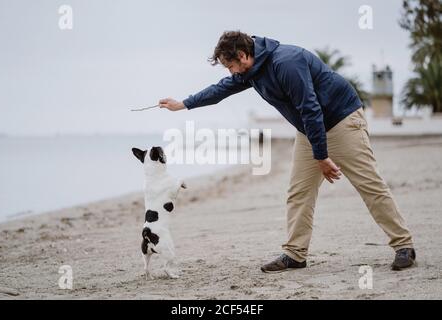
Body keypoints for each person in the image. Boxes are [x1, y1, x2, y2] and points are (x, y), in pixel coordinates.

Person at [158, 30, 416, 272]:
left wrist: (322, 156)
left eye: (231, 65)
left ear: (244, 55)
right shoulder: (251, 71)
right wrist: (182, 104)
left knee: (369, 185)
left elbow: (310, 107)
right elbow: (221, 89)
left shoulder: (286, 62)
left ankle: (404, 246)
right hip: (309, 129)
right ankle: (295, 254)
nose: (232, 71)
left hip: (342, 120)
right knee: (299, 192)